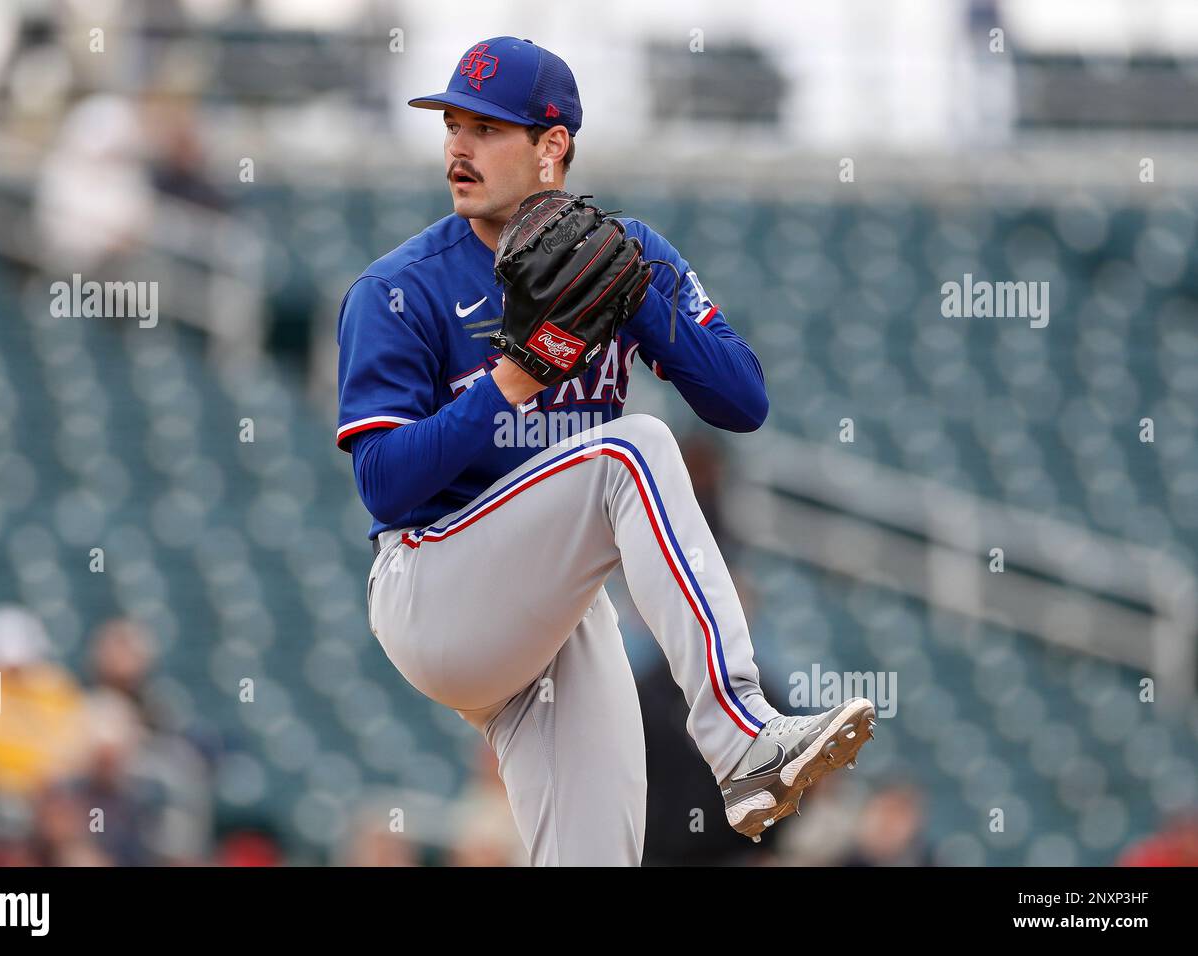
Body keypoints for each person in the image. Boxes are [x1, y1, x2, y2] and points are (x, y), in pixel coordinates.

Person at [336, 36, 875, 866]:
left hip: (548, 611)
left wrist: (639, 299)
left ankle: (740, 747)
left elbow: (743, 401)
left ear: (552, 146)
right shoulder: (399, 288)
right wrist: (513, 377)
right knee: (632, 450)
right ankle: (741, 740)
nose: (457, 146)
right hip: (434, 590)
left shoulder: (627, 251)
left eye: (487, 127)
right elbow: (382, 484)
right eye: (452, 124)